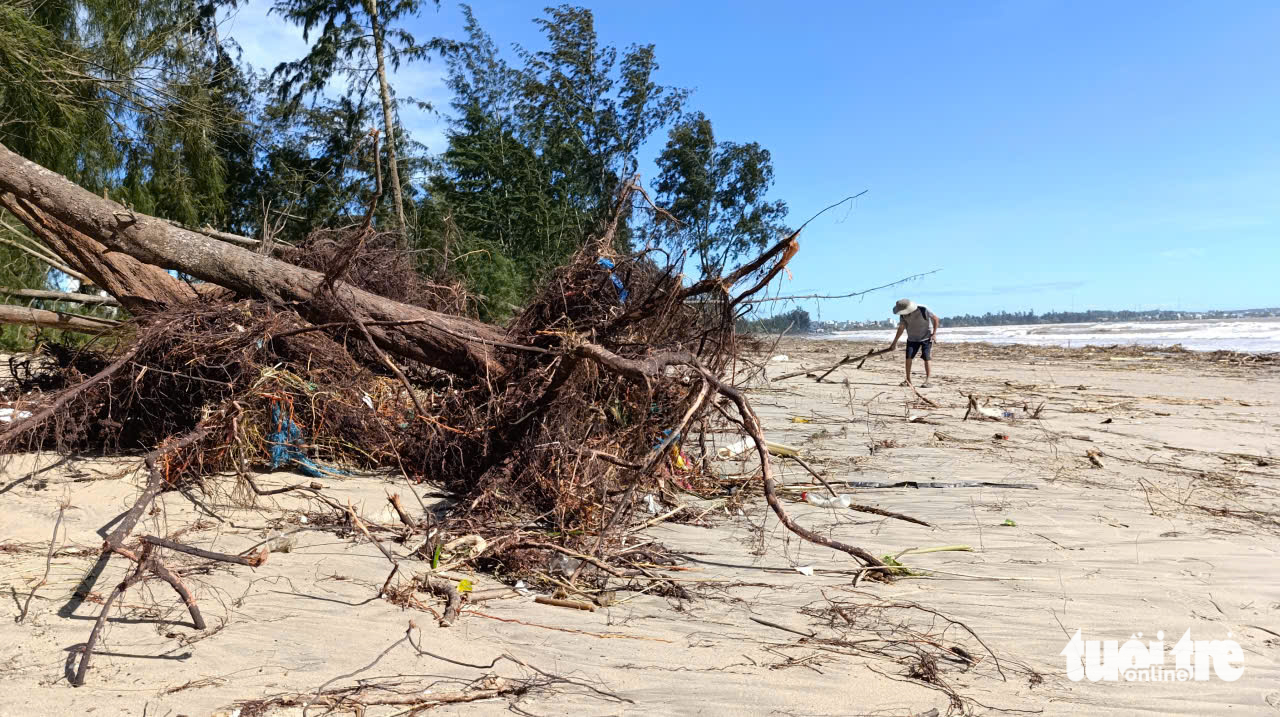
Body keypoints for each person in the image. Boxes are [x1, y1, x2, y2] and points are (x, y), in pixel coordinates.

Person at [887, 298, 939, 387]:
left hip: (926, 337)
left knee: (926, 357)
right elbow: (901, 328)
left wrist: (934, 334)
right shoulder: (902, 315)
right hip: (912, 338)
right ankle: (908, 380)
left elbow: (935, 319)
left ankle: (928, 380)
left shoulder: (923, 309)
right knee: (908, 358)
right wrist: (894, 343)